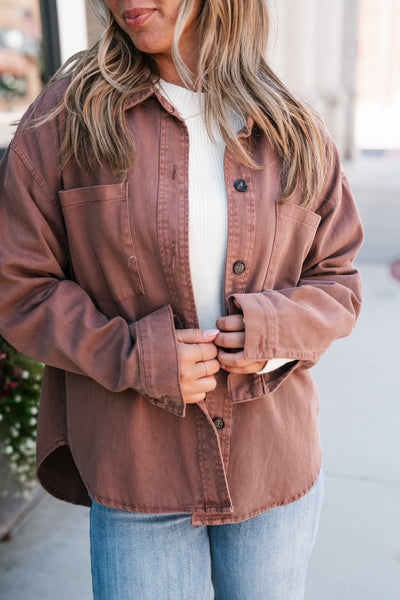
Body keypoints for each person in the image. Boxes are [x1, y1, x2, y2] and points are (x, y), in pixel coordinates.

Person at [0, 1, 363, 598]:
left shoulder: (292, 127)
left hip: (270, 466)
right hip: (137, 472)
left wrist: (271, 330)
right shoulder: (68, 118)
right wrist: (131, 355)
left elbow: (338, 281)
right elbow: (20, 284)